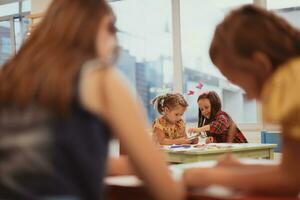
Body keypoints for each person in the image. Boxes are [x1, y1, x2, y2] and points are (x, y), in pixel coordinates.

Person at [0, 0, 185, 199]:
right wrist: (185, 179)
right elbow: (167, 192)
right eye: (113, 30)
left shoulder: (9, 78)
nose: (114, 44)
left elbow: (52, 163)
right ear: (102, 26)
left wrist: (137, 166)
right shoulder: (98, 78)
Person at [183, 4, 300, 196]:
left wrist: (212, 176)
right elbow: (292, 171)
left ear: (261, 64)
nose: (251, 96)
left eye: (244, 86)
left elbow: (290, 180)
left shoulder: (290, 81)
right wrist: (240, 169)